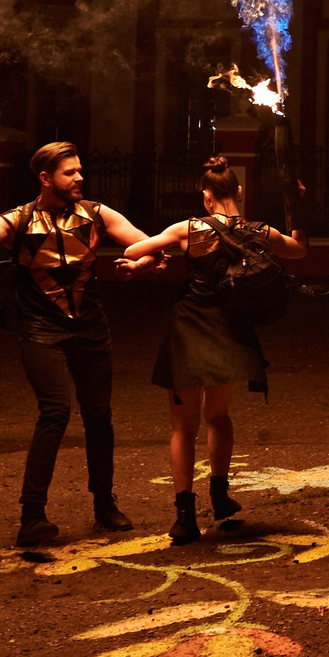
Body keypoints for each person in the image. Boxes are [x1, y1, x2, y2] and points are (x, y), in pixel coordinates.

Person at [0, 142, 155, 548]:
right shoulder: (16, 221)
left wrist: (139, 262)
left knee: (99, 416)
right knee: (54, 412)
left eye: (79, 171)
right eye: (70, 173)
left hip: (91, 328)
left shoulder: (95, 213)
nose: (79, 178)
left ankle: (105, 505)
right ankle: (32, 515)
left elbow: (147, 244)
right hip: (40, 330)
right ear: (45, 178)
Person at [122, 157, 309, 546]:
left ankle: (184, 518)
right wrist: (297, 207)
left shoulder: (188, 229)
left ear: (206, 198)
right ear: (239, 192)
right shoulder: (260, 231)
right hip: (231, 332)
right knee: (219, 416)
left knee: (183, 427)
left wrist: (151, 259)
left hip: (190, 329)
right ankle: (220, 497)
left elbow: (137, 247)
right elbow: (297, 251)